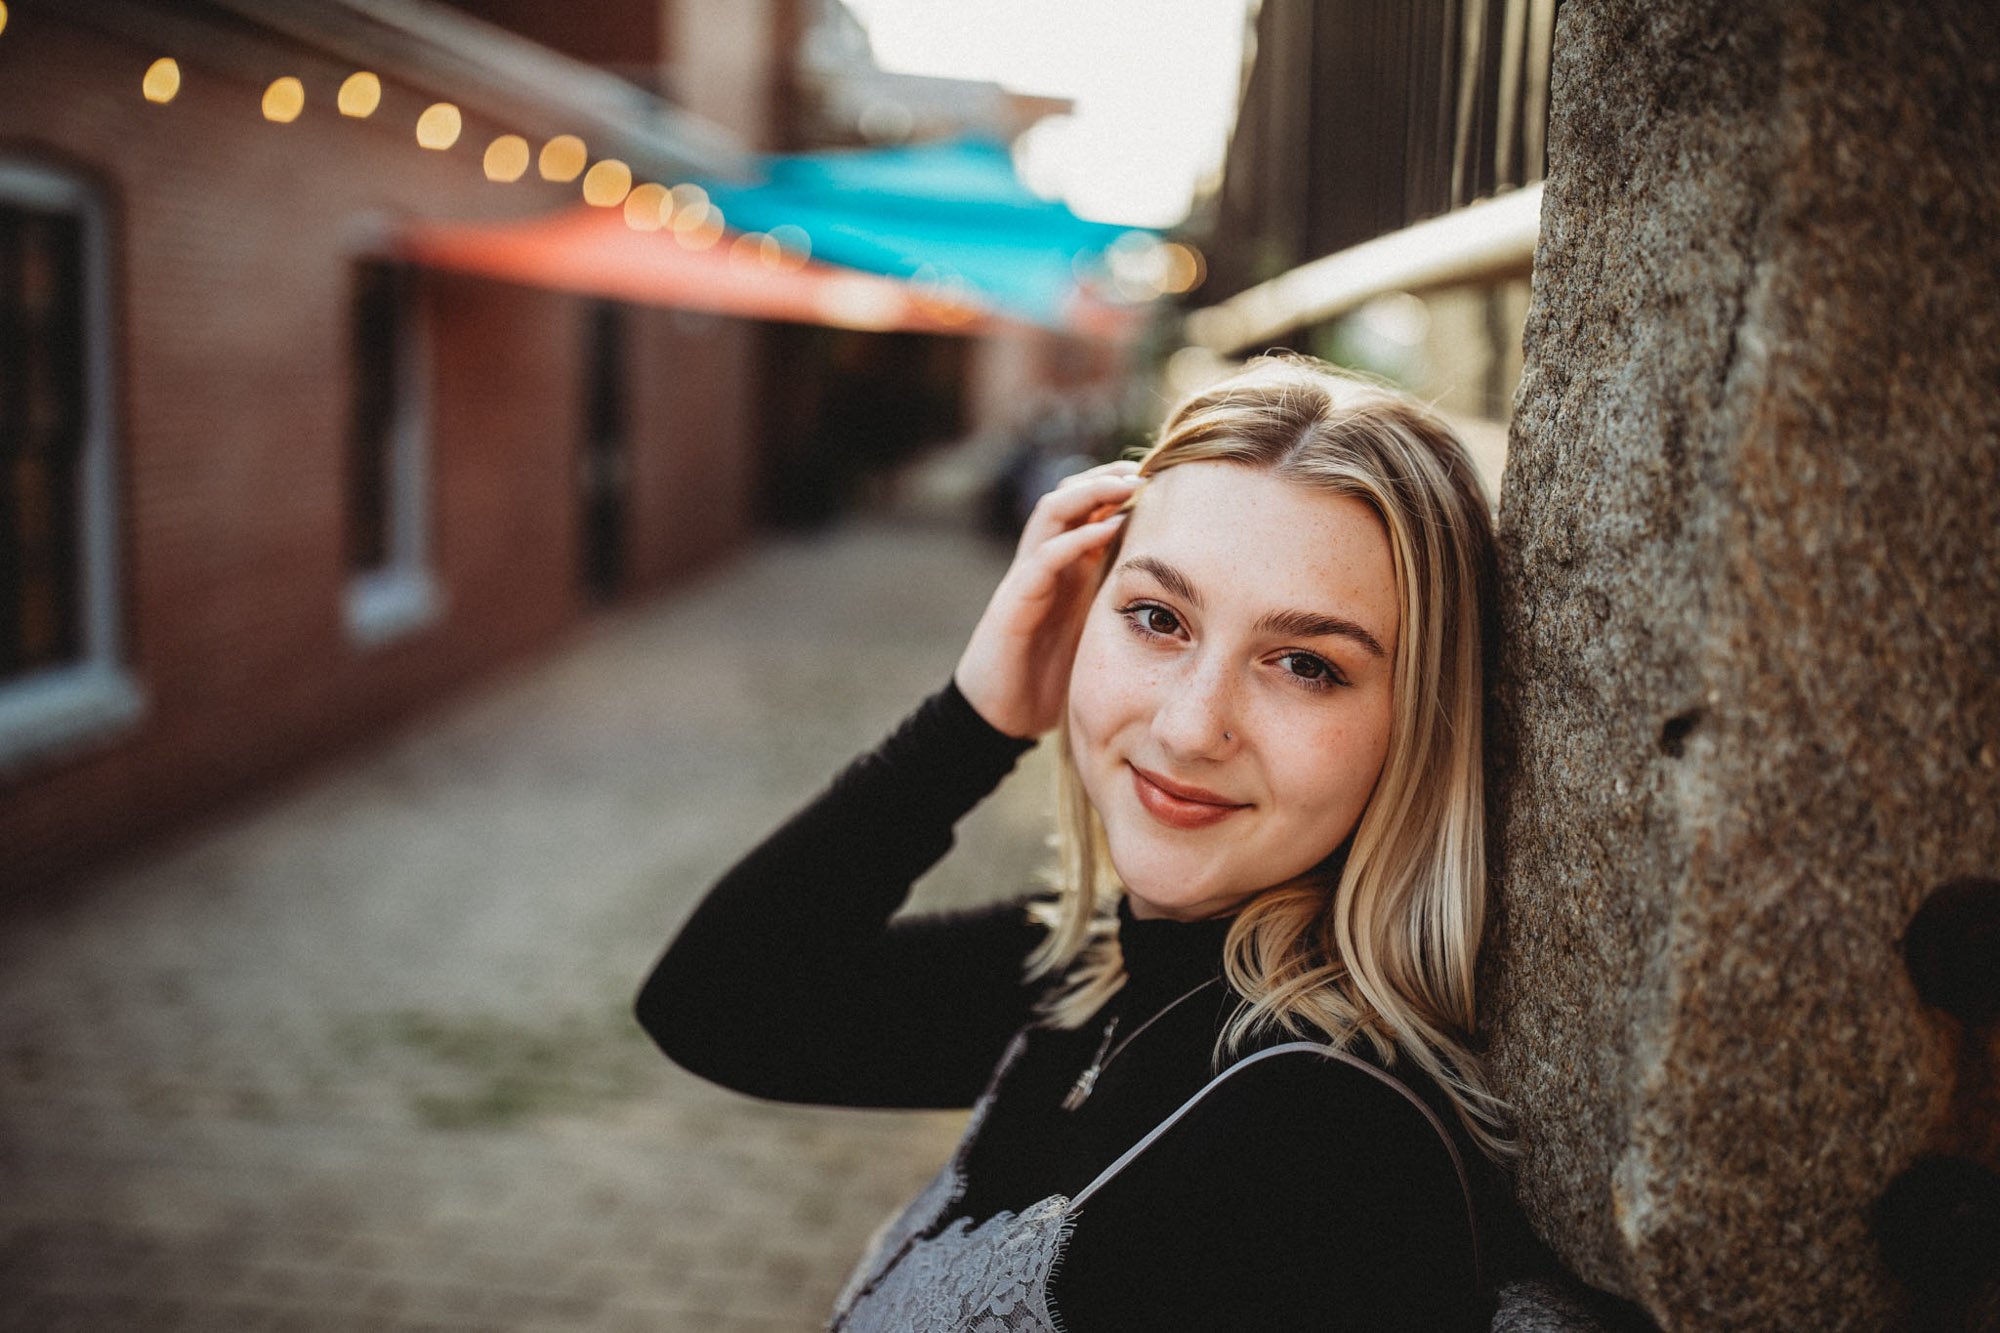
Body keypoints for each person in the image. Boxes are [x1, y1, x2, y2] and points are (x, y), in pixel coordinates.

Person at [637, 354, 1516, 1330]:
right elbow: (717, 1004)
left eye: (1305, 664)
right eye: (1155, 617)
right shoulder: (1099, 973)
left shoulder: (1319, 1145)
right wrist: (976, 716)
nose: (1189, 727)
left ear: (1423, 721)